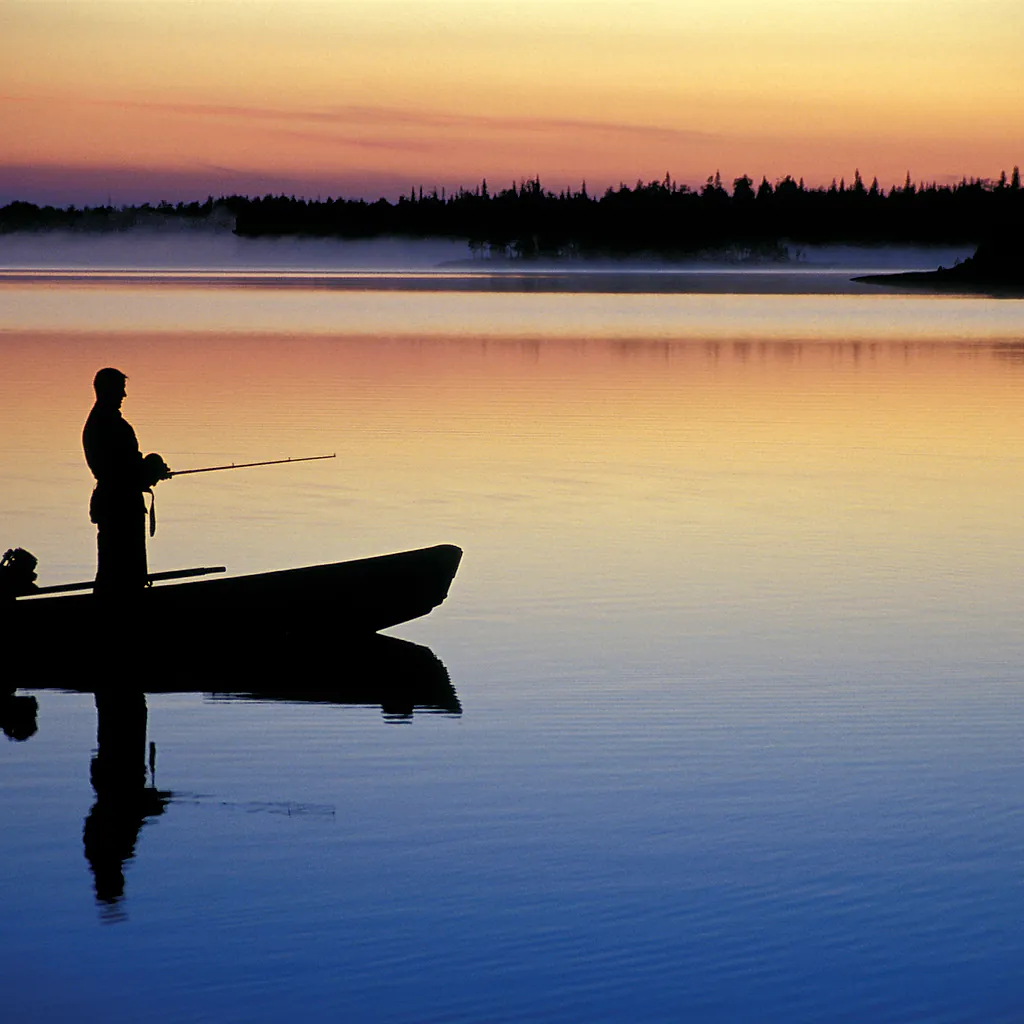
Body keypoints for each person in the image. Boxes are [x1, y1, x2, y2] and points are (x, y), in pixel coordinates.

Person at [82, 368, 170, 596]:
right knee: (120, 571)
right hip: (119, 506)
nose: (124, 395)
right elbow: (121, 471)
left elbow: (125, 468)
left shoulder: (103, 422)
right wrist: (150, 472)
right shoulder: (108, 425)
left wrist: (148, 471)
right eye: (120, 390)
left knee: (118, 569)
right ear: (108, 390)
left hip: (116, 503)